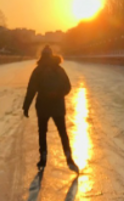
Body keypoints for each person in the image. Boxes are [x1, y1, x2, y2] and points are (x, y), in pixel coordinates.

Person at [23, 45, 79, 173]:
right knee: (62, 132)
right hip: (57, 106)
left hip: (43, 105)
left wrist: (26, 106)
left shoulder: (38, 71)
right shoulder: (59, 70)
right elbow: (68, 87)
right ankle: (68, 156)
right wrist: (57, 94)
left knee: (42, 132)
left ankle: (43, 157)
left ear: (42, 56)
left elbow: (31, 90)